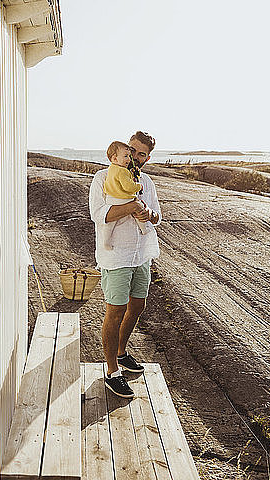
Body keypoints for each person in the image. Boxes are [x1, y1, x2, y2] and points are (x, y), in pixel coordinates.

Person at [89, 131, 161, 398]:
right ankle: (112, 372)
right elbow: (98, 214)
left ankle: (121, 353)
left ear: (147, 157)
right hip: (116, 256)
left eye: (141, 153)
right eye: (131, 150)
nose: (135, 156)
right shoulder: (102, 177)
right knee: (116, 310)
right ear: (123, 150)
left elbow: (157, 215)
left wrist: (148, 213)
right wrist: (131, 207)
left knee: (137, 306)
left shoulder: (147, 181)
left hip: (142, 254)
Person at [103, 140, 150, 249]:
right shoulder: (123, 171)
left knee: (109, 226)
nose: (130, 159)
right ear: (115, 158)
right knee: (139, 207)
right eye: (127, 156)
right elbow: (128, 187)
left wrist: (151, 214)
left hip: (111, 198)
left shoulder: (111, 169)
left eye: (128, 156)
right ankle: (144, 229)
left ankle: (106, 242)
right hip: (124, 198)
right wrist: (139, 186)